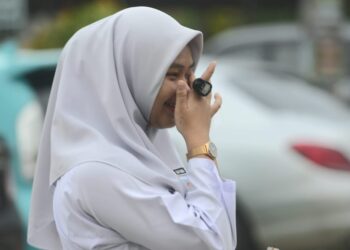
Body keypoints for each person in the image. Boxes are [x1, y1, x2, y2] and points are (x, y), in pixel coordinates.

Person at [28, 6, 236, 250]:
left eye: (190, 74)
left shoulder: (144, 153)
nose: (188, 89)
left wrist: (201, 147)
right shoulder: (96, 173)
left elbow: (219, 228)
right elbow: (212, 242)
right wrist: (199, 142)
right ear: (126, 76)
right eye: (172, 74)